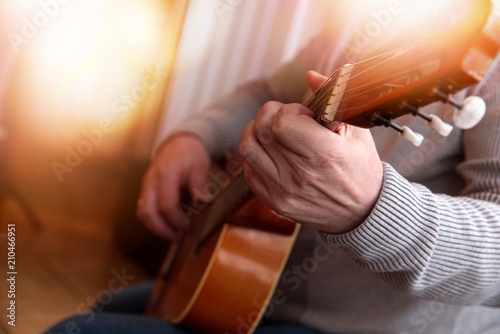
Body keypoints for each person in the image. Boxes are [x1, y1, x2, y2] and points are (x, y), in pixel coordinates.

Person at [44, 1, 500, 333]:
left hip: (357, 327)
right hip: (243, 289)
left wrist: (370, 208)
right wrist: (193, 137)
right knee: (96, 314)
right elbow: (268, 93)